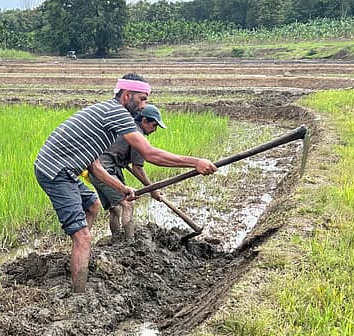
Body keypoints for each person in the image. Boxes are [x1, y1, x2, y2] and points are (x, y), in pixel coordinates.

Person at [34, 73, 217, 293]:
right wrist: (194, 162)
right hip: (56, 171)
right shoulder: (117, 113)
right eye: (142, 99)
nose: (143, 105)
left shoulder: (106, 116)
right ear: (127, 95)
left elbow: (94, 166)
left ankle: (80, 253)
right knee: (83, 237)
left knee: (93, 205)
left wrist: (122, 188)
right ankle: (78, 294)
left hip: (64, 168)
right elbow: (150, 155)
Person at [89, 104, 167, 242]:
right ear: (144, 121)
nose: (155, 130)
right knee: (127, 202)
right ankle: (129, 243)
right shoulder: (136, 135)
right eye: (154, 125)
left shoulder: (126, 127)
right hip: (104, 170)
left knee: (115, 208)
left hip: (98, 168)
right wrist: (153, 189)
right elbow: (138, 168)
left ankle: (116, 239)